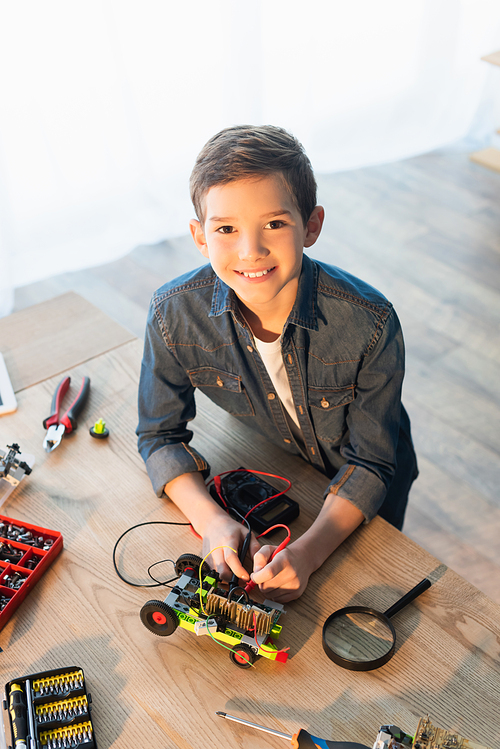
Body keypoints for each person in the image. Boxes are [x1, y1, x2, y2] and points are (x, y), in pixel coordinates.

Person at [137, 125, 418, 603]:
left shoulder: (371, 323)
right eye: (225, 229)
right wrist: (212, 521)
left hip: (370, 486)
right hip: (280, 462)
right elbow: (159, 435)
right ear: (199, 236)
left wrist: (307, 555)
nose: (250, 250)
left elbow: (371, 463)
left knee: (370, 585)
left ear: (311, 226)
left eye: (274, 224)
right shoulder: (171, 316)